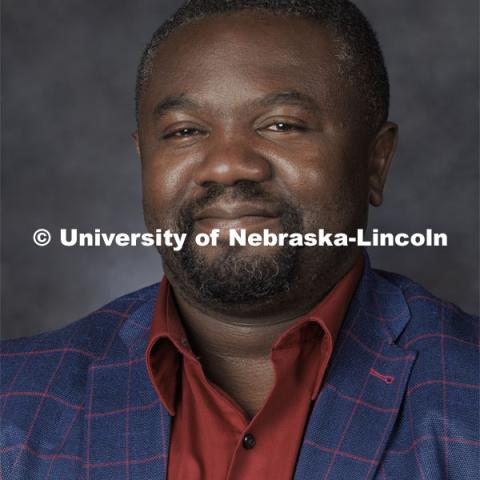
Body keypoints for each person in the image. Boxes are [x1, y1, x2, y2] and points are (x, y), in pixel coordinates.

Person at [1, 1, 478, 479]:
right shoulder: (14, 404)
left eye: (281, 125)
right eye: (185, 131)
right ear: (143, 158)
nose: (227, 165)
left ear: (376, 161)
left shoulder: (466, 399)